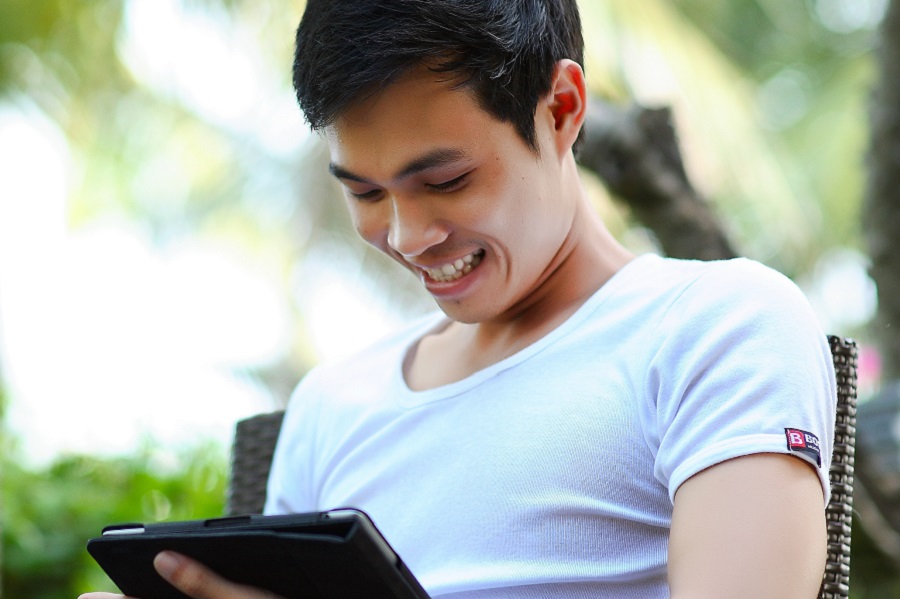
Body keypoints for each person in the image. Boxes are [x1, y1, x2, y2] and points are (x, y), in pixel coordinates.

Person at [81, 0, 836, 597]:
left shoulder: (717, 326)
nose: (407, 236)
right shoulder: (332, 403)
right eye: (367, 192)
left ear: (563, 109)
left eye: (444, 181)